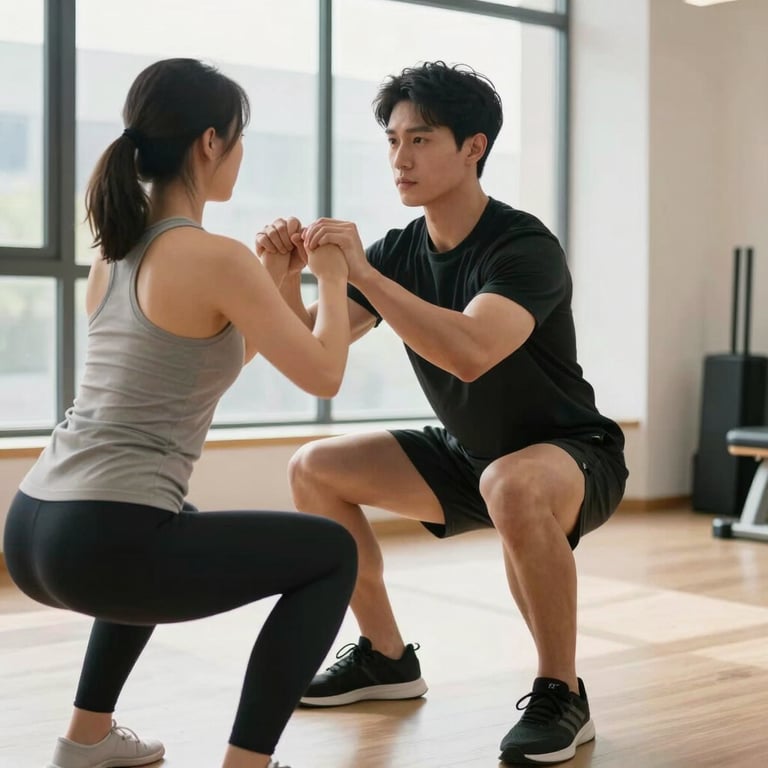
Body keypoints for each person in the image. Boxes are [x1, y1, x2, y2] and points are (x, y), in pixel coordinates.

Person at [256, 61, 628, 765]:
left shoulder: (522, 246)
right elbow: (311, 348)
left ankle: (562, 693)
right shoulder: (401, 250)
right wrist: (279, 278)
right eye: (393, 140)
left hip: (571, 454)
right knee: (315, 469)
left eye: (420, 140)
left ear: (473, 148)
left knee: (511, 483)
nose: (400, 159)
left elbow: (472, 351)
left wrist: (361, 272)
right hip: (470, 455)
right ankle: (386, 657)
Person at [2, 58, 358, 768]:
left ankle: (87, 740)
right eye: (240, 136)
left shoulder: (117, 250)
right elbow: (324, 373)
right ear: (208, 143)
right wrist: (337, 277)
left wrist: (279, 285)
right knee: (332, 553)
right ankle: (246, 764)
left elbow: (198, 370)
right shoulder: (215, 258)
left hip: (35, 527)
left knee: (175, 527)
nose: (241, 150)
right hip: (103, 543)